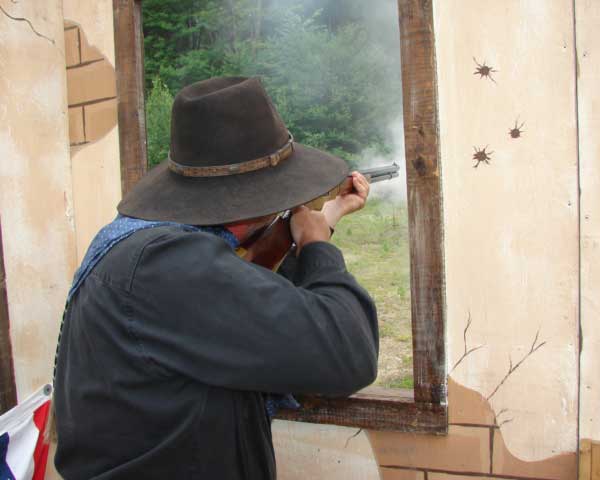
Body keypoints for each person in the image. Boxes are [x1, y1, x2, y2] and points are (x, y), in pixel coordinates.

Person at [53, 77, 379, 479]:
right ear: (258, 199)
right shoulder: (166, 266)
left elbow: (272, 324)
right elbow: (350, 352)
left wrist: (323, 222)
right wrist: (314, 243)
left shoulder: (142, 250)